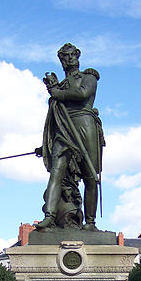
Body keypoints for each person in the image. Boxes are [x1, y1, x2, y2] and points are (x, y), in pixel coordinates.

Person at [35, 43, 105, 231]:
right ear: (61, 60)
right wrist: (46, 146)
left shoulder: (88, 77)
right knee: (56, 174)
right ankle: (49, 216)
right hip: (63, 130)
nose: (69, 58)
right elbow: (54, 117)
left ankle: (90, 223)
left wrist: (58, 93)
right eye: (65, 56)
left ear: (78, 56)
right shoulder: (60, 86)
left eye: (72, 55)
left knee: (90, 176)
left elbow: (83, 94)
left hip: (84, 124)